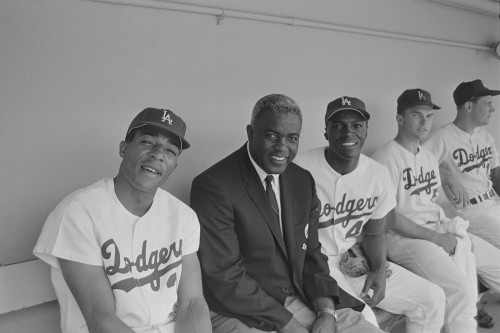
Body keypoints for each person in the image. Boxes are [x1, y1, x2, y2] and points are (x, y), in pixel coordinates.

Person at [191, 94, 384, 333]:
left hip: (301, 296)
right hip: (243, 310)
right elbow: (225, 277)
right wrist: (290, 325)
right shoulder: (214, 186)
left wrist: (326, 312)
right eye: (272, 135)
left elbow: (312, 254)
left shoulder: (301, 180)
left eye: (292, 138)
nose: (283, 147)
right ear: (251, 133)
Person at [34, 108, 211, 333]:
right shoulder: (79, 212)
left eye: (170, 150)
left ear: (174, 165)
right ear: (123, 148)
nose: (158, 154)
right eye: (148, 142)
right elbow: (101, 319)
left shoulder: (183, 216)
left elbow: (192, 302)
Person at [295, 96, 446, 333]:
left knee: (432, 298)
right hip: (313, 265)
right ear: (326, 132)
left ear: (366, 130)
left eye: (356, 125)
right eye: (338, 126)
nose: (348, 132)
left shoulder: (378, 174)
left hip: (352, 257)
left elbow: (375, 232)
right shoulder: (300, 168)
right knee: (366, 320)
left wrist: (378, 269)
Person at [373, 88, 500, 331]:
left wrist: (452, 231)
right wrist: (437, 238)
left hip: (437, 228)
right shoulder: (386, 158)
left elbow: (428, 202)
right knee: (459, 289)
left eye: (429, 116)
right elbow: (388, 217)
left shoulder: (428, 157)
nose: (424, 122)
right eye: (416, 115)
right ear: (399, 118)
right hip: (404, 237)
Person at [423, 79, 500, 250]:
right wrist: (445, 176)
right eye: (487, 103)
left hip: (493, 202)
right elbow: (415, 165)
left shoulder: (486, 137)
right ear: (469, 106)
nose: (492, 109)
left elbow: (495, 174)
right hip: (471, 212)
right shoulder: (442, 137)